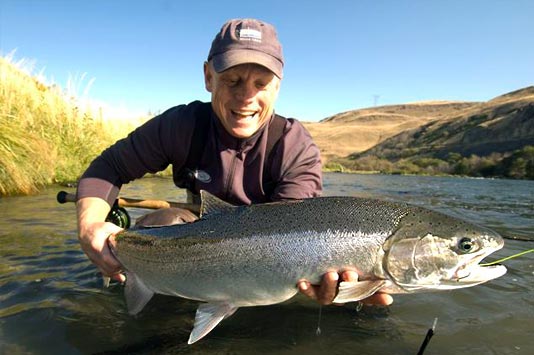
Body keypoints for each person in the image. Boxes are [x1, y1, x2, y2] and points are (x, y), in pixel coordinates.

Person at [76, 18, 392, 307]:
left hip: (262, 263)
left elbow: (296, 239)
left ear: (278, 86)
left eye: (261, 84)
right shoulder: (182, 126)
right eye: (234, 81)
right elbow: (107, 168)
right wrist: (90, 227)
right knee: (162, 223)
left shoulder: (295, 148)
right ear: (208, 77)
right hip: (195, 232)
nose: (246, 97)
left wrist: (339, 283)